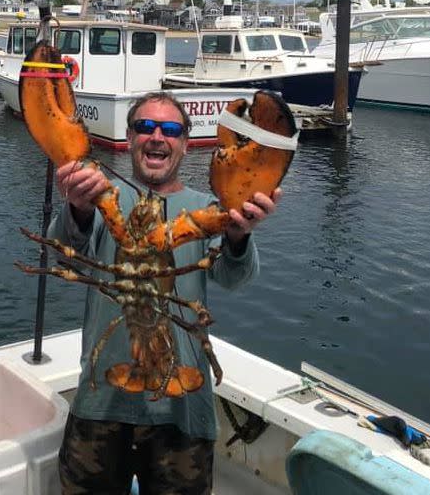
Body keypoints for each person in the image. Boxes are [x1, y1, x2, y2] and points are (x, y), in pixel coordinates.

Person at [48, 92, 282, 494]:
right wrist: (78, 209)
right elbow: (65, 260)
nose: (157, 137)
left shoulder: (210, 208)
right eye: (145, 127)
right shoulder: (104, 200)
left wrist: (238, 236)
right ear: (130, 136)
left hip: (182, 409)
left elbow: (234, 277)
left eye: (170, 129)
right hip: (101, 400)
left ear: (186, 144)